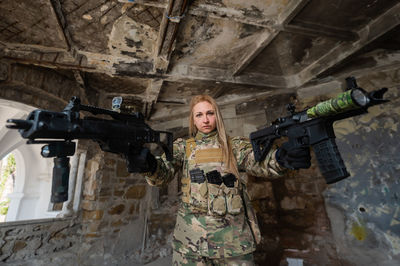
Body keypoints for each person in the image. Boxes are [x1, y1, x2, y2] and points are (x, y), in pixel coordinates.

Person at [143, 95, 311, 265]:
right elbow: (162, 174)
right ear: (193, 120)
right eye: (199, 115)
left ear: (218, 116)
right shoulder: (182, 147)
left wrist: (281, 158)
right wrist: (148, 165)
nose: (205, 120)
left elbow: (258, 161)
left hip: (232, 243)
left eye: (210, 113)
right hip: (190, 244)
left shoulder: (234, 146)